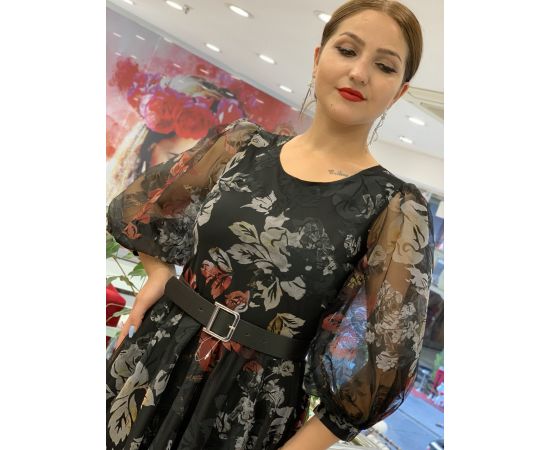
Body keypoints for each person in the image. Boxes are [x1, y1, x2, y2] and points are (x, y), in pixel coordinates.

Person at [106, 1, 434, 449]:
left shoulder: (394, 207)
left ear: (398, 91)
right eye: (347, 50)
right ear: (318, 58)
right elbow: (145, 206)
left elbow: (382, 370)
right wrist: (159, 274)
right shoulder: (242, 145)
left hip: (248, 404)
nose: (359, 73)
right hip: (155, 355)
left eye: (384, 66)